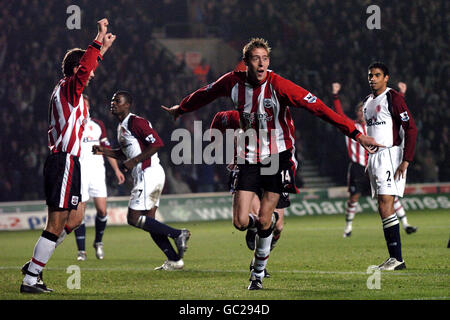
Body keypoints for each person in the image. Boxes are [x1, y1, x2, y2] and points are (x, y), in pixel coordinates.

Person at [162, 38, 382, 290]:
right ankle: (259, 229)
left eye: (265, 58)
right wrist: (182, 107)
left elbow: (320, 108)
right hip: (248, 157)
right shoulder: (232, 82)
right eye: (256, 58)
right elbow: (206, 93)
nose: (262, 63)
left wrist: (356, 134)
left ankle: (257, 274)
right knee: (241, 222)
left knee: (270, 219)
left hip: (277, 157)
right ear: (246, 63)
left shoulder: (280, 86)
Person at [20, 18, 116, 294]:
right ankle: (32, 278)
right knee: (56, 222)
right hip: (63, 160)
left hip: (70, 162)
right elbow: (86, 67)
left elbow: (88, 65)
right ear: (77, 70)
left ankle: (33, 265)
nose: (92, 76)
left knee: (74, 220)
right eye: (87, 71)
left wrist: (103, 50)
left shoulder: (67, 89)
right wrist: (98, 37)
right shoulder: (69, 88)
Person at [92, 90, 191, 271]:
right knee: (150, 222)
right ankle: (175, 260)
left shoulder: (136, 122)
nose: (113, 103)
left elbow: (157, 143)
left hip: (149, 173)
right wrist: (103, 151)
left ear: (127, 105)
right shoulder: (121, 127)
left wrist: (134, 161)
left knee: (133, 218)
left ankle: (178, 234)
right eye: (112, 100)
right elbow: (125, 153)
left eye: (117, 100)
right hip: (146, 174)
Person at [331, 82, 417, 237]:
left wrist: (401, 94)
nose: (361, 113)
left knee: (388, 193)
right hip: (358, 166)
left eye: (362, 111)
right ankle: (348, 227)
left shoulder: (376, 126)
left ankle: (406, 224)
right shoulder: (352, 126)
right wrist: (335, 95)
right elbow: (339, 116)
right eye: (358, 111)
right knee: (354, 197)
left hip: (376, 163)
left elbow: (393, 113)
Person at [210, 110, 289, 278]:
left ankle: (258, 259)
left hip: (273, 169)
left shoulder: (279, 117)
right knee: (255, 218)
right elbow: (217, 121)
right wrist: (213, 142)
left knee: (278, 227)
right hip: (248, 170)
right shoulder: (235, 115)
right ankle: (255, 237)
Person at [363, 62, 418, 270]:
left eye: (377, 75)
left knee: (386, 201)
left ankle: (397, 259)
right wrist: (368, 160)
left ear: (386, 77)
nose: (372, 79)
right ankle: (394, 258)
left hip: (389, 155)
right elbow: (370, 134)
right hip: (375, 158)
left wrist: (406, 159)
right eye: (370, 75)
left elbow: (410, 128)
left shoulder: (393, 98)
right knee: (382, 205)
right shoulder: (367, 102)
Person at [74, 94, 125, 261]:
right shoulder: (73, 126)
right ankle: (81, 251)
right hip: (80, 172)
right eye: (82, 105)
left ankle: (98, 242)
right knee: (79, 214)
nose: (85, 108)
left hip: (97, 173)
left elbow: (105, 148)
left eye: (87, 105)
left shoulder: (97, 125)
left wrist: (116, 170)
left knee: (102, 210)